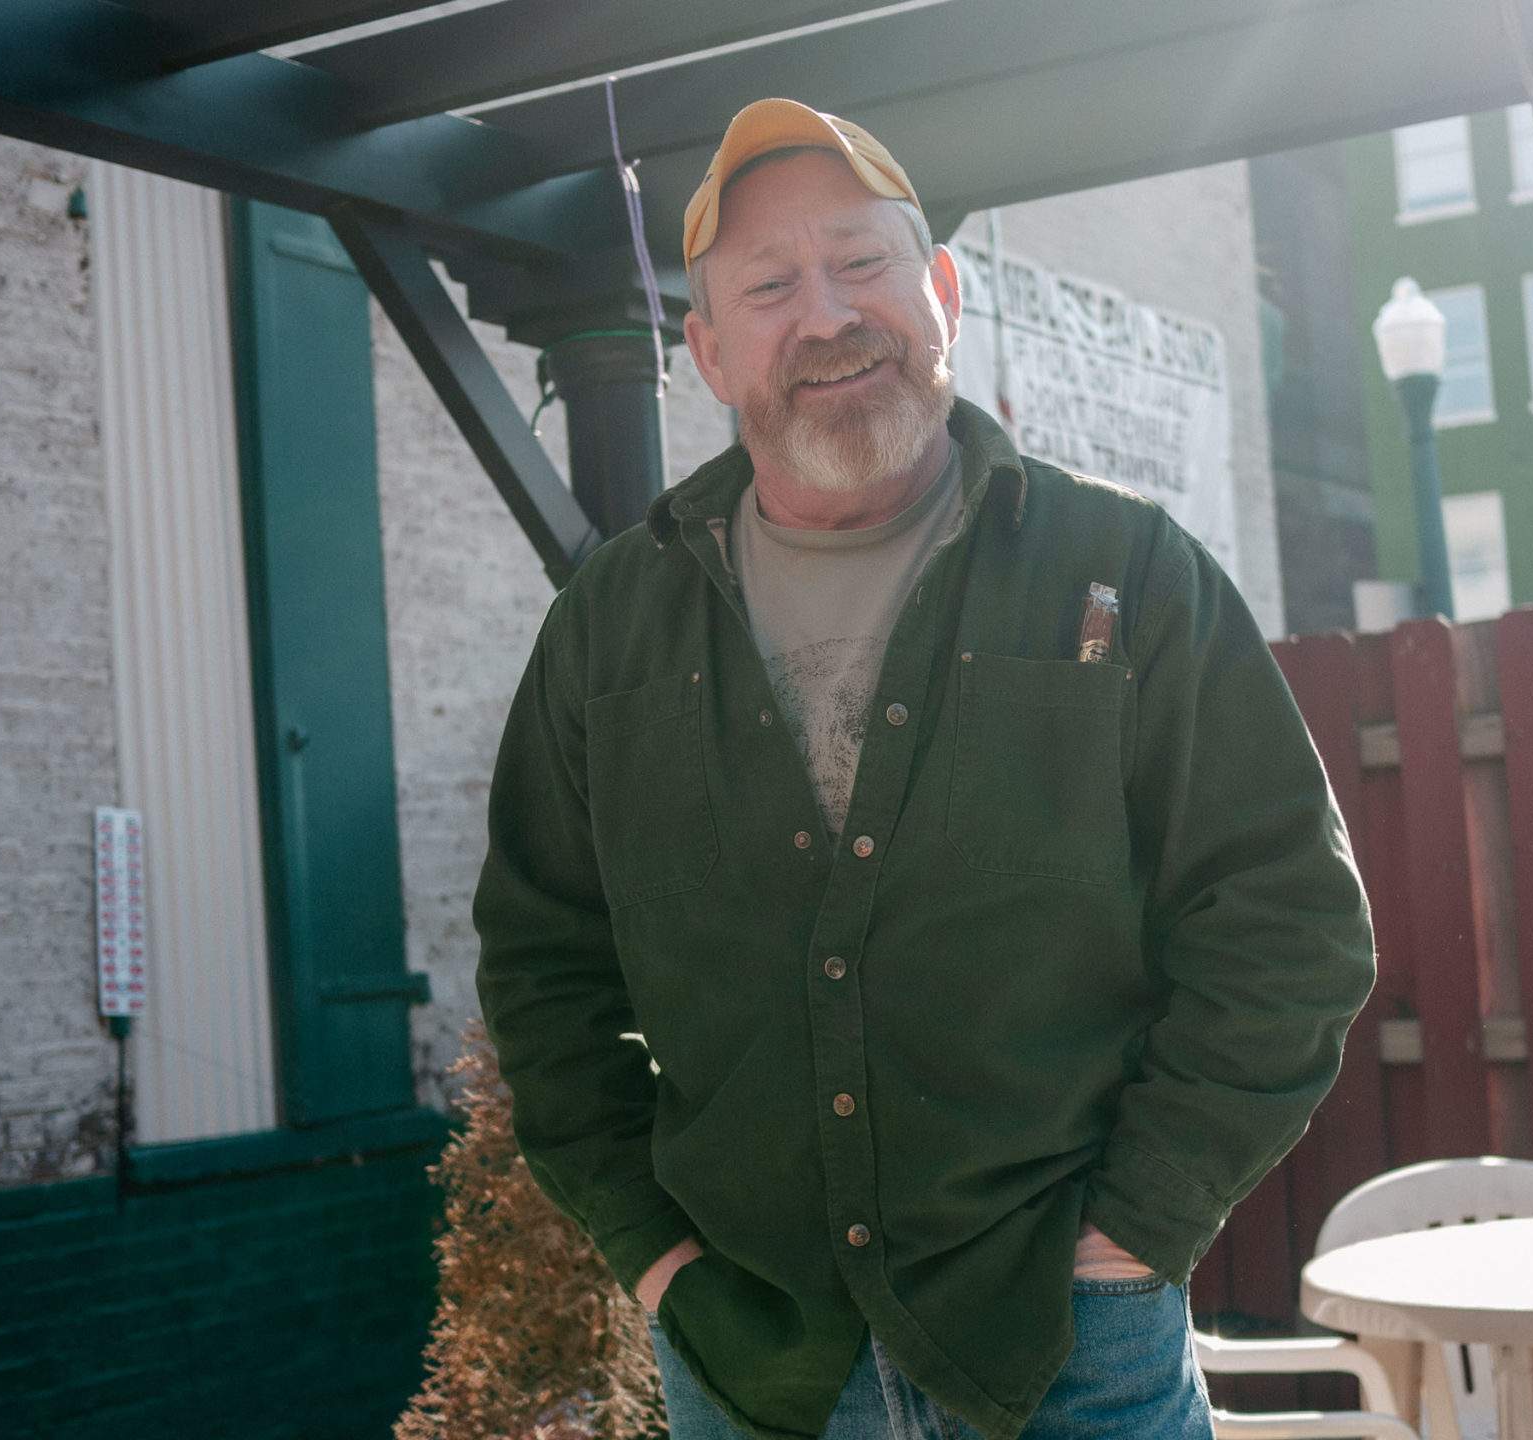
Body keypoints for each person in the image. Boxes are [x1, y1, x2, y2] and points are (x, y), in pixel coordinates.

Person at [472, 97, 1376, 1440]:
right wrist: (659, 1264)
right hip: (755, 1371)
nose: (827, 314)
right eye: (770, 286)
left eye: (863, 262)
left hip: (1072, 1354)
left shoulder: (1125, 573)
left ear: (942, 290)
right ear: (710, 353)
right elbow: (543, 974)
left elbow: (1288, 926)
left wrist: (1131, 1235)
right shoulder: (610, 627)